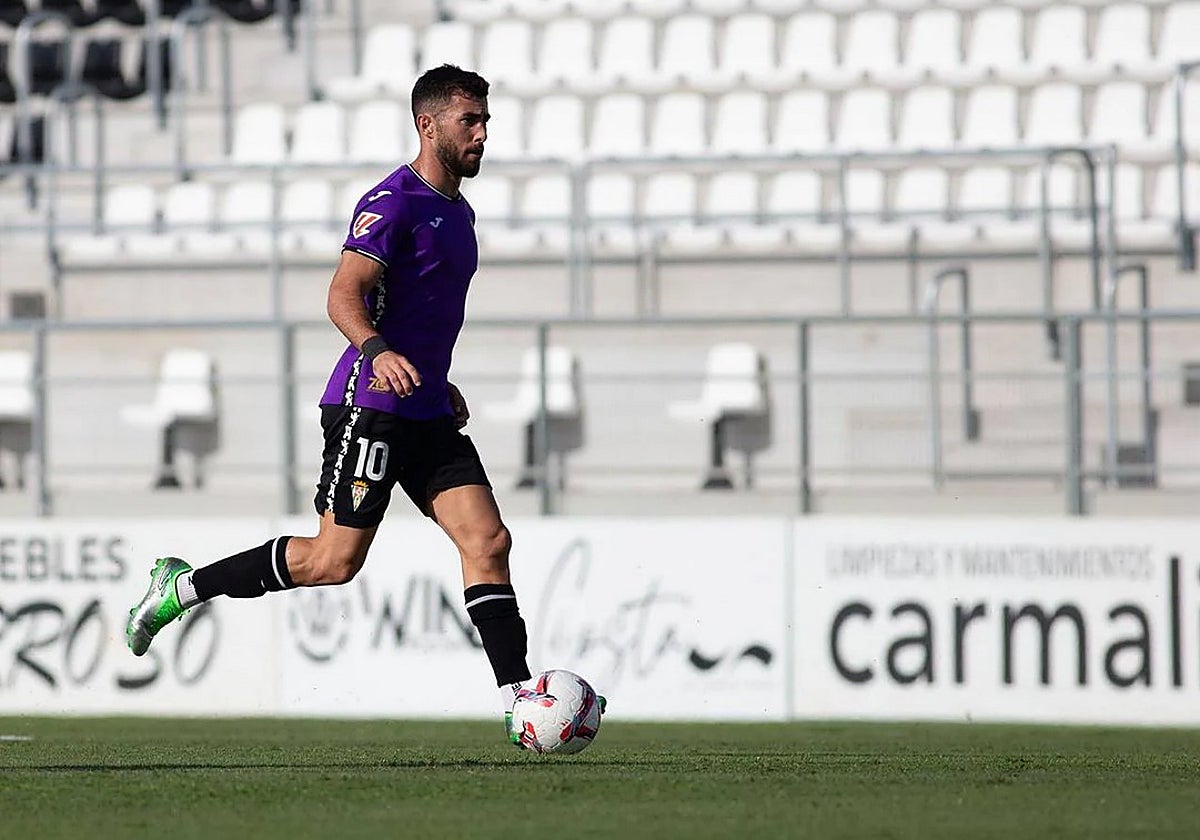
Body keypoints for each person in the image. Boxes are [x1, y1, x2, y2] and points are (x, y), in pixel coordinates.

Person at [125, 64, 600, 746]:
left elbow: (425, 315)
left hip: (426, 406)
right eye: (471, 121)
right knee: (332, 562)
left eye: (486, 122)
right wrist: (380, 353)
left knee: (488, 541)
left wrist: (436, 377)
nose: (483, 134)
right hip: (370, 404)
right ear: (428, 124)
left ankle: (520, 699)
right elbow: (343, 295)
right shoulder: (392, 201)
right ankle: (182, 587)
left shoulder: (460, 213)